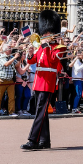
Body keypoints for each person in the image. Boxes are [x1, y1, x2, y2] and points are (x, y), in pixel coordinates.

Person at [22, 10, 64, 150]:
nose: (45, 35)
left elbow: (53, 61)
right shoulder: (41, 46)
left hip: (48, 82)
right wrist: (29, 53)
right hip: (39, 81)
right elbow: (34, 61)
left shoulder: (58, 48)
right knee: (42, 111)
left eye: (47, 33)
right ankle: (44, 141)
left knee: (40, 110)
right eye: (44, 33)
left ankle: (33, 139)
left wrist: (45, 47)